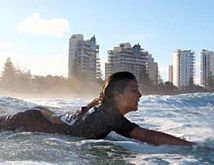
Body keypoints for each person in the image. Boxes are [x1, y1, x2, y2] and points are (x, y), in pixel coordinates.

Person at [0, 72, 193, 146]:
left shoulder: (105, 107)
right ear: (117, 95)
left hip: (42, 115)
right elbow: (147, 135)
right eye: (134, 90)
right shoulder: (110, 115)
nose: (140, 95)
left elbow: (94, 102)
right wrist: (191, 146)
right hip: (32, 120)